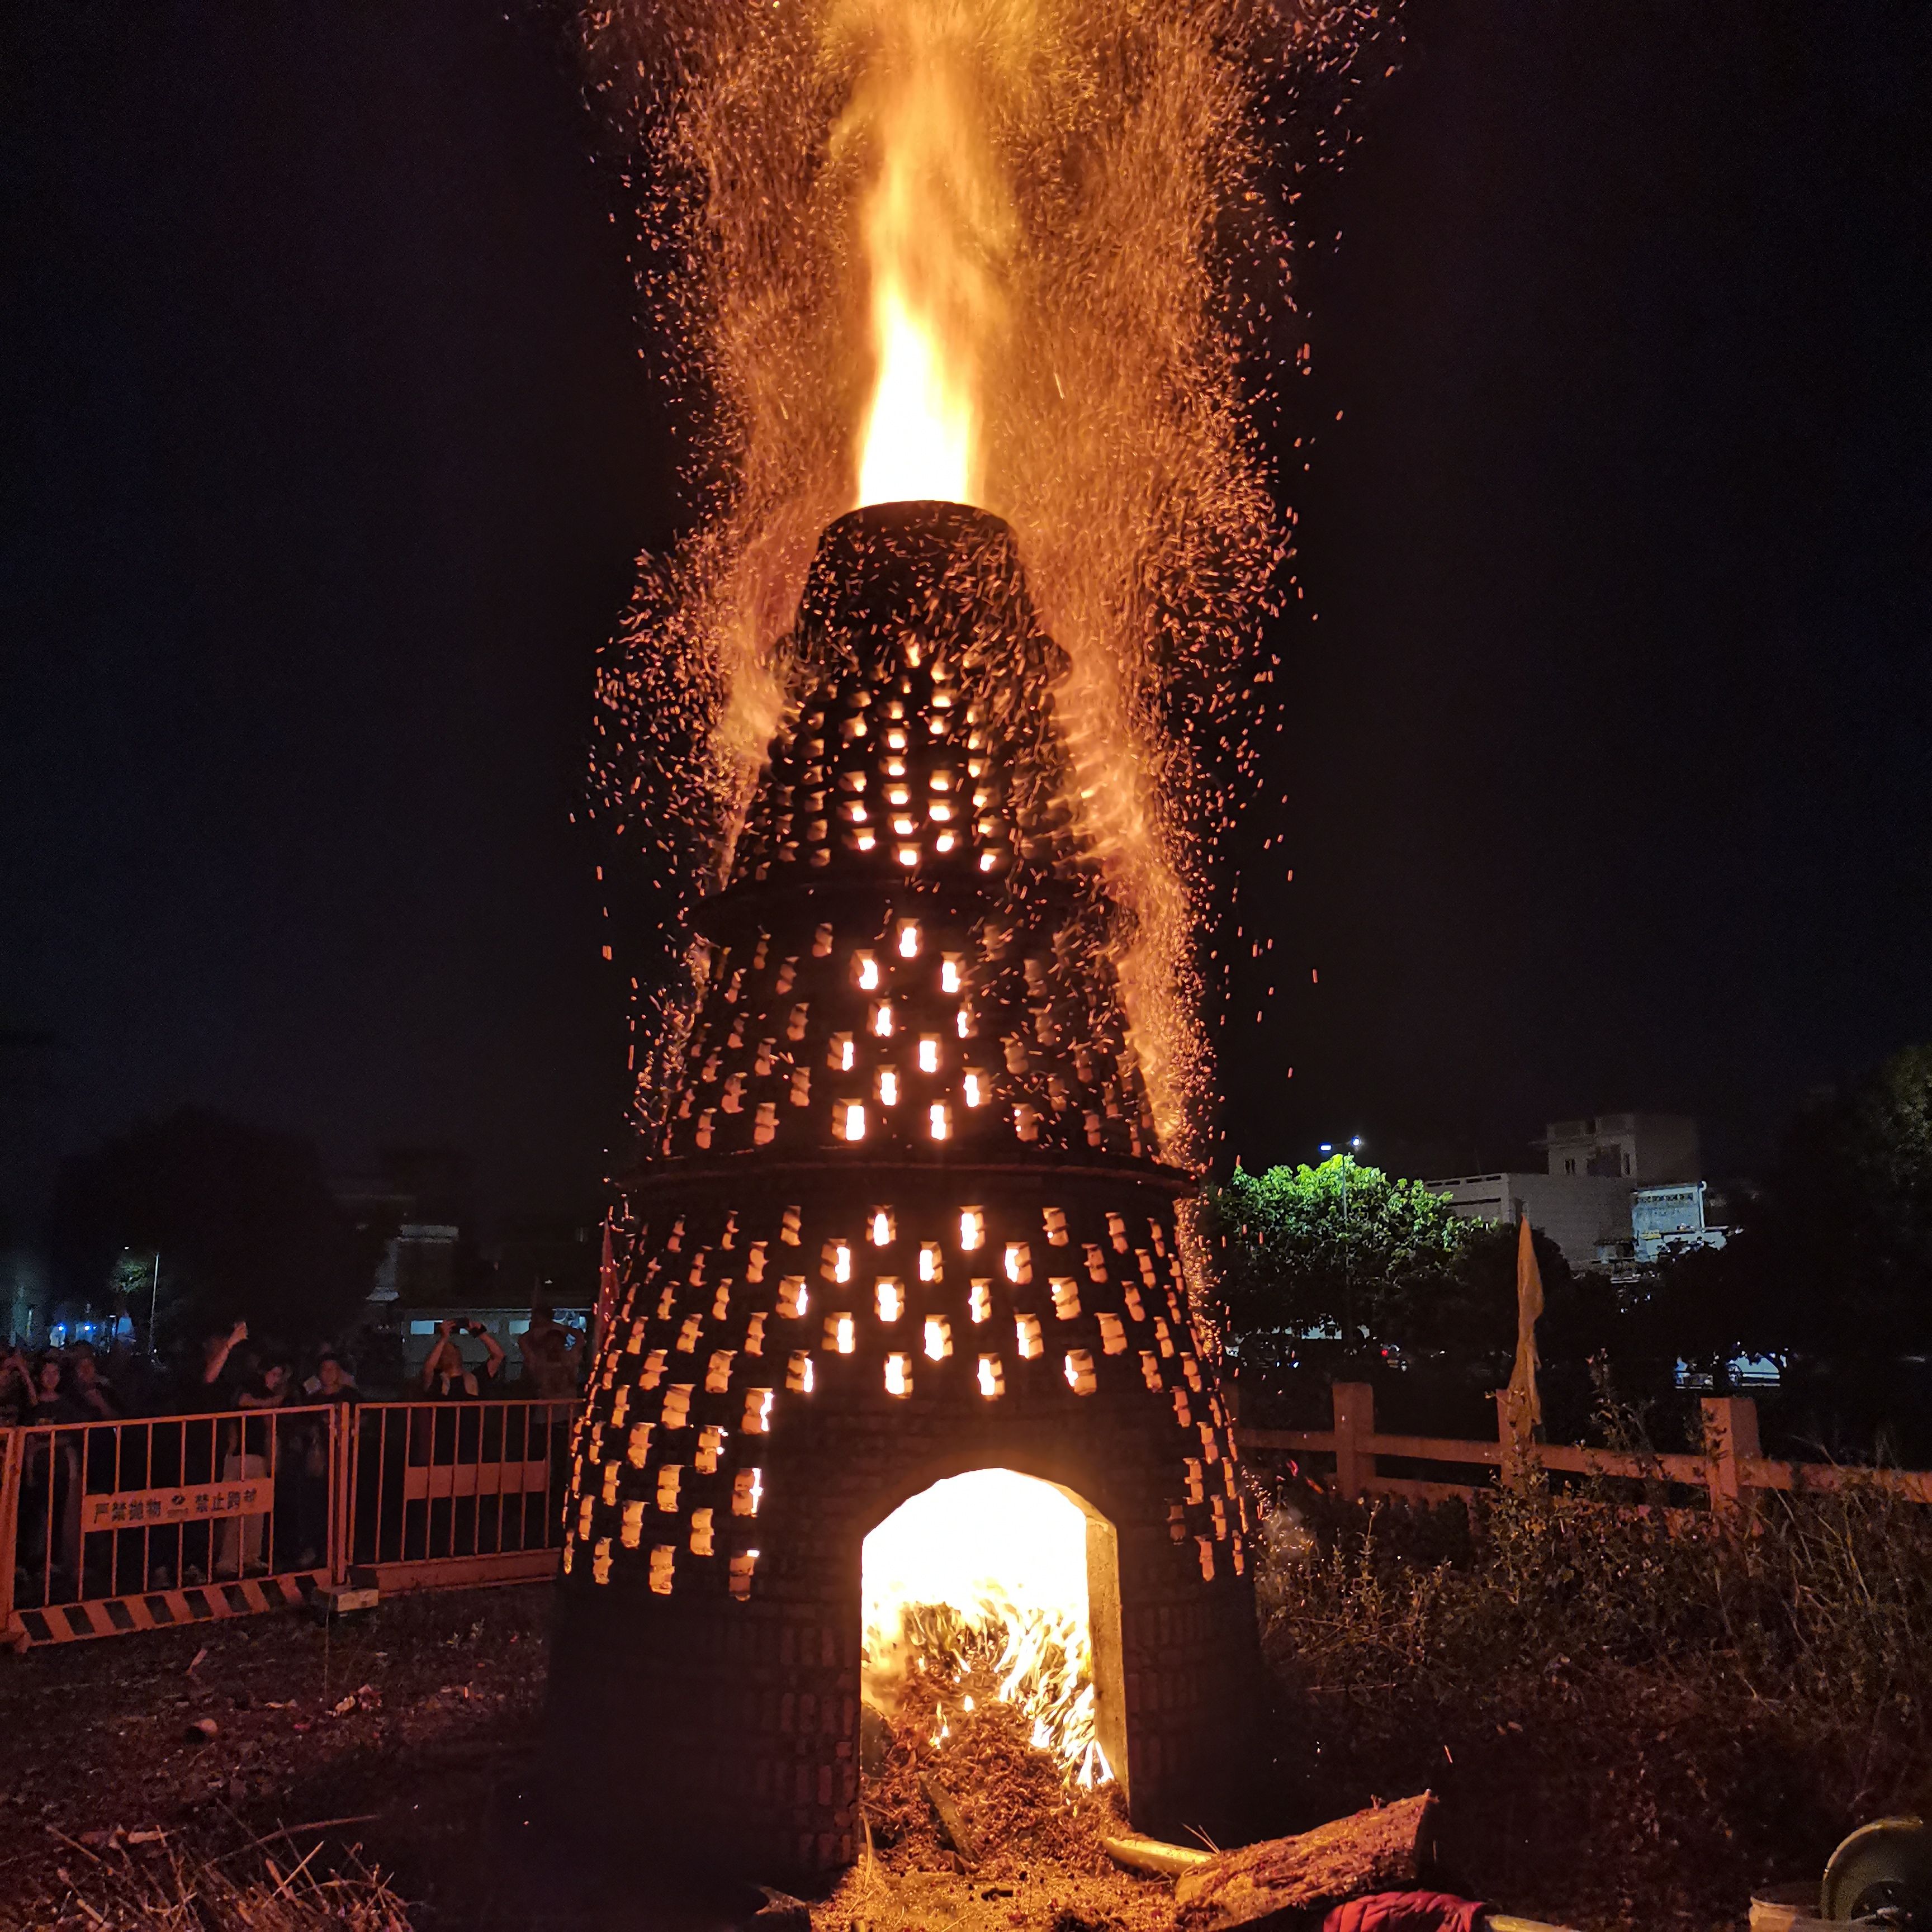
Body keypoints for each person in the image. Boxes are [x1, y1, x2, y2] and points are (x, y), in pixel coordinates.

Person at [422, 1320, 505, 1400]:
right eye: (445, 1352)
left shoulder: (477, 1377)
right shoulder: (437, 1381)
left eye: (454, 1348)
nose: (451, 1354)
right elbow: (429, 1368)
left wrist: (480, 1332)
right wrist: (443, 1338)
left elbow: (498, 1356)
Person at [517, 1304, 584, 1401]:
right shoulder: (538, 1360)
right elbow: (522, 1341)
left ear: (563, 1342)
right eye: (551, 1342)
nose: (554, 1346)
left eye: (557, 1342)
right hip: (546, 1407)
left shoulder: (570, 1358)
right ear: (545, 1344)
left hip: (567, 1406)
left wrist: (557, 1327)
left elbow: (580, 1338)